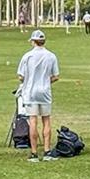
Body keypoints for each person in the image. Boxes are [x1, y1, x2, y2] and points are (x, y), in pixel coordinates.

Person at [16, 29, 60, 162]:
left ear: (33, 42)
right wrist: (46, 81)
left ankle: (34, 153)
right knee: (46, 120)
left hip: (30, 92)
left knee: (33, 121)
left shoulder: (27, 56)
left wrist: (29, 80)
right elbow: (56, 76)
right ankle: (47, 151)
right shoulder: (51, 56)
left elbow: (20, 76)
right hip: (45, 91)